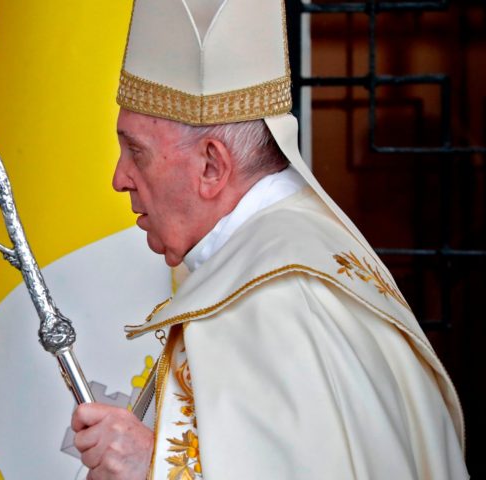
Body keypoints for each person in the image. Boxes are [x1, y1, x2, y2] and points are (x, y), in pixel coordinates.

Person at [71, 1, 468, 479]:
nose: (120, 178)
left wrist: (151, 467)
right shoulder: (291, 251)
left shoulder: (283, 298)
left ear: (212, 166)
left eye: (137, 151)